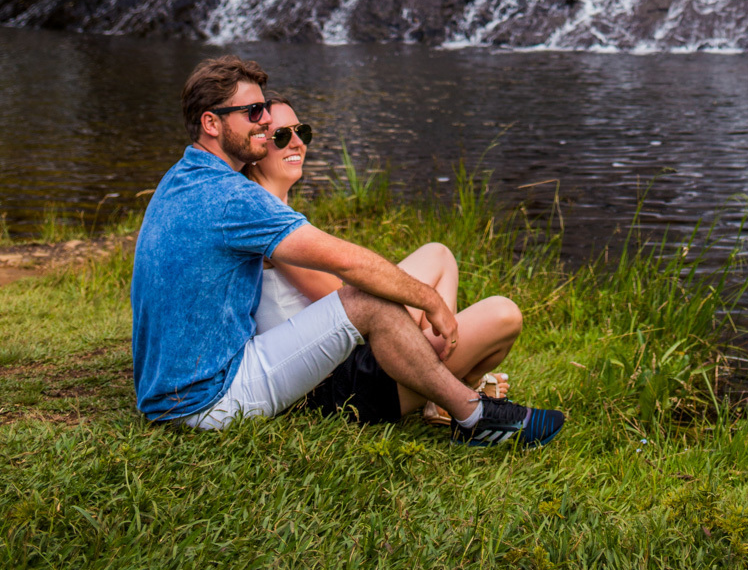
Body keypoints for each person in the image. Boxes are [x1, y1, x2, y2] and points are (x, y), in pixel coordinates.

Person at [130, 55, 564, 448]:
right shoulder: (230, 197)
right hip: (209, 400)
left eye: (265, 110)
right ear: (211, 123)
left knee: (384, 286)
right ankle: (474, 415)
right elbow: (346, 263)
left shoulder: (184, 177)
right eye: (253, 112)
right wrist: (428, 299)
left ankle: (460, 405)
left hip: (168, 393)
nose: (265, 122)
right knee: (365, 298)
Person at [245, 99, 522, 425]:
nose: (297, 143)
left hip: (337, 356)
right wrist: (413, 302)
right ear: (256, 149)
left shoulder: (266, 207)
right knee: (504, 316)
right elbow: (339, 299)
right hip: (332, 382)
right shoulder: (268, 221)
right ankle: (445, 390)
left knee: (439, 255)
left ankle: (439, 390)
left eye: (301, 132)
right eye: (281, 136)